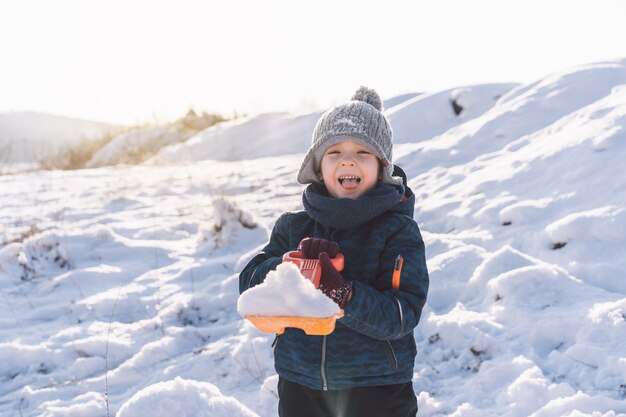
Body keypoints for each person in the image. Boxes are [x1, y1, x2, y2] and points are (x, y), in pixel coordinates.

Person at [239, 86, 429, 417]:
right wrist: (289, 266)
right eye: (334, 151)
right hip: (301, 386)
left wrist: (344, 294)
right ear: (318, 165)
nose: (348, 159)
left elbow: (403, 314)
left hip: (377, 388)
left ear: (383, 166)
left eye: (363, 152)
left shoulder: (397, 231)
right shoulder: (293, 228)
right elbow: (249, 286)